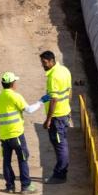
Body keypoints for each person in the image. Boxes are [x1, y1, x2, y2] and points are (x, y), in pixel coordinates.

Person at [0, 71, 42, 194]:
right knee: (23, 159)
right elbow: (29, 110)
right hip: (16, 134)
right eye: (15, 81)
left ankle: (10, 186)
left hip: (4, 136)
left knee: (6, 161)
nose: (16, 83)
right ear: (12, 84)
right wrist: (41, 102)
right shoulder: (15, 96)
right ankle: (25, 186)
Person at [39, 51, 72, 184]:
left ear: (52, 61)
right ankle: (61, 172)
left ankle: (60, 175)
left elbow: (54, 100)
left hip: (57, 117)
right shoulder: (64, 70)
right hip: (64, 113)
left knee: (60, 145)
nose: (43, 65)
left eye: (45, 63)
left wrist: (48, 119)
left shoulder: (53, 77)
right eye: (42, 62)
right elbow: (69, 91)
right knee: (62, 143)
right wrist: (67, 107)